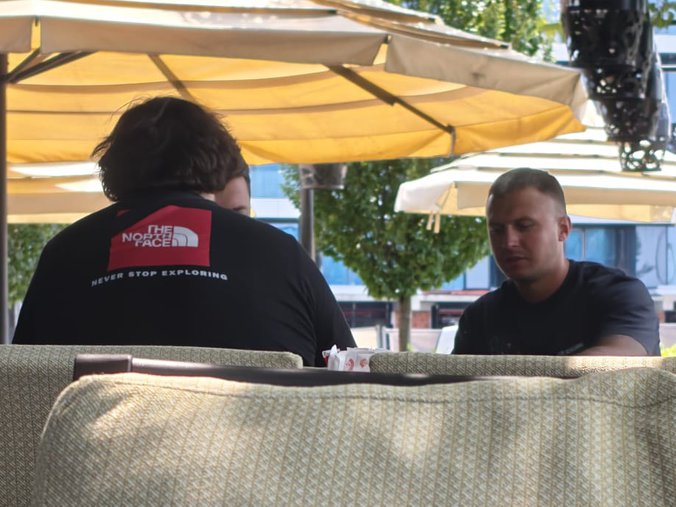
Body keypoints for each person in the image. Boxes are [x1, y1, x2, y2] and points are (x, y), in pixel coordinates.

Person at [13, 96, 356, 366]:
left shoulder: (66, 254)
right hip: (260, 437)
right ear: (217, 161)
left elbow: (21, 380)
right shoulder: (279, 253)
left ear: (114, 166)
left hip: (100, 437)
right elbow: (349, 370)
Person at [453, 167, 660, 356]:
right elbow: (452, 382)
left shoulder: (619, 294)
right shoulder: (480, 317)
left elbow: (619, 362)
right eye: (497, 230)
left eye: (524, 226)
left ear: (563, 229)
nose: (509, 242)